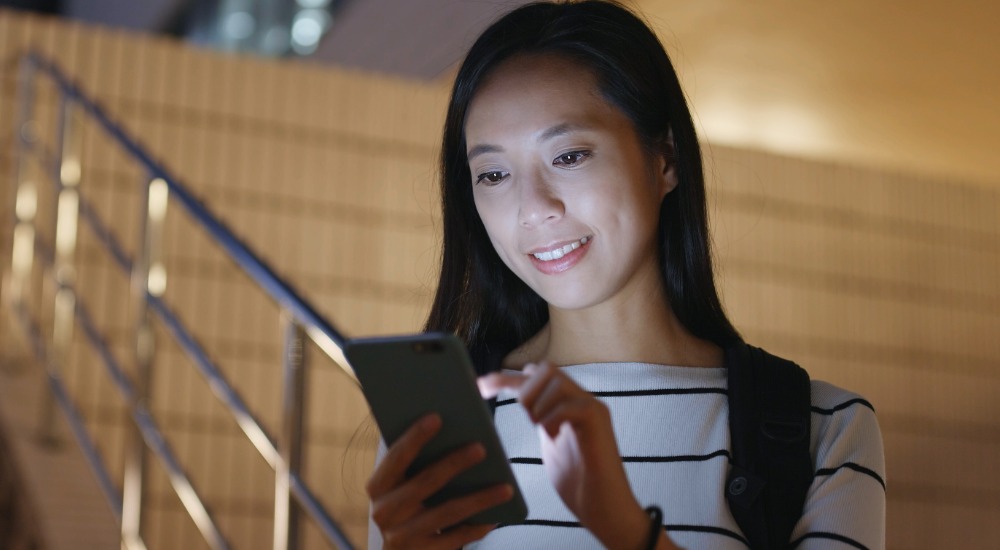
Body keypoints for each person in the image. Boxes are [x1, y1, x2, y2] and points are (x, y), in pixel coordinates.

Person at [365, 1, 886, 549]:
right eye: (493, 173)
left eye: (568, 156)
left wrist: (629, 530)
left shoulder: (822, 427)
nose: (533, 207)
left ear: (664, 159)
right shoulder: (439, 423)